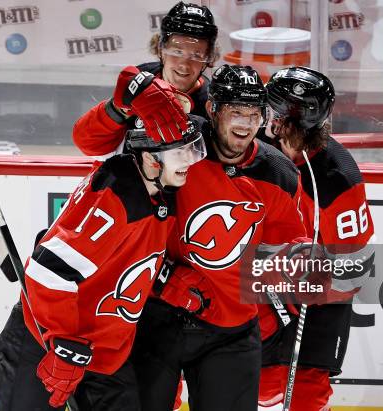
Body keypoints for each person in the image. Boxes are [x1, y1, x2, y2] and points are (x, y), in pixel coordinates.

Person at [75, 63, 308, 411]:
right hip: (156, 318)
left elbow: (283, 249)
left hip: (231, 330)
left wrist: (283, 282)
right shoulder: (176, 142)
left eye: (253, 114)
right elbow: (131, 208)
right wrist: (121, 102)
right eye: (234, 112)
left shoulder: (280, 174)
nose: (244, 124)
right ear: (212, 109)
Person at [0, 116, 207, 411]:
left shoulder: (159, 195)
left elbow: (127, 262)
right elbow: (48, 271)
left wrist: (168, 283)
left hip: (104, 354)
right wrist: (62, 346)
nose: (190, 160)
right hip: (44, 341)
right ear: (151, 158)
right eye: (179, 152)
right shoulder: (117, 197)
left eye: (191, 149)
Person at [256, 66, 376, 410]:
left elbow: (354, 268)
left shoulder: (338, 177)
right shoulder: (252, 148)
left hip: (317, 298)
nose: (266, 122)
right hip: (262, 289)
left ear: (284, 121)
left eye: (273, 114)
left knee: (307, 391)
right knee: (263, 388)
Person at [74, 1, 219, 158]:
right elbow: (88, 144)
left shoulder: (213, 103)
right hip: (130, 178)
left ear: (209, 59)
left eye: (196, 55)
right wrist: (118, 108)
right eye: (177, 51)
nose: (184, 65)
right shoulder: (140, 78)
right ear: (160, 50)